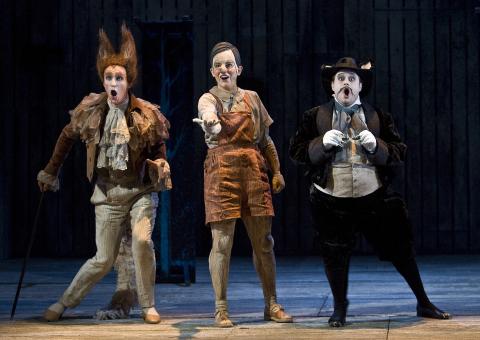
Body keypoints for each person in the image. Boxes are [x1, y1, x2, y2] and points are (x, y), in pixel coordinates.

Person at [289, 57, 450, 327]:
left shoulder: (378, 117)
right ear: (332, 86)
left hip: (373, 196)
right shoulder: (315, 116)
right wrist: (320, 143)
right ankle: (339, 308)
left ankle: (423, 301)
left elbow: (400, 151)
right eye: (340, 78)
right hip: (332, 198)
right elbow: (296, 152)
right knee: (334, 254)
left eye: (352, 79)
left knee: (400, 249)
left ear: (360, 86)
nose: (346, 83)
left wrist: (377, 146)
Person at [37, 24, 171, 324]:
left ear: (128, 81)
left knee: (141, 242)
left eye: (118, 78)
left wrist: (161, 164)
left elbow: (158, 143)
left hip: (139, 191)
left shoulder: (144, 112)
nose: (113, 82)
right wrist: (50, 171)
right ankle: (64, 302)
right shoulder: (92, 109)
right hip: (108, 193)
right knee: (103, 259)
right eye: (109, 77)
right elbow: (66, 136)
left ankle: (148, 304)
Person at [193, 42, 293, 327]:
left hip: (253, 170)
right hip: (220, 171)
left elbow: (265, 140)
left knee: (263, 241)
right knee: (221, 243)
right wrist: (211, 123)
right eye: (218, 65)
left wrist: (276, 171)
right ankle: (220, 308)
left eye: (229, 64)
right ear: (212, 72)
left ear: (239, 69)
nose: (224, 69)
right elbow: (208, 114)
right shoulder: (207, 99)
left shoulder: (252, 98)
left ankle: (271, 304)